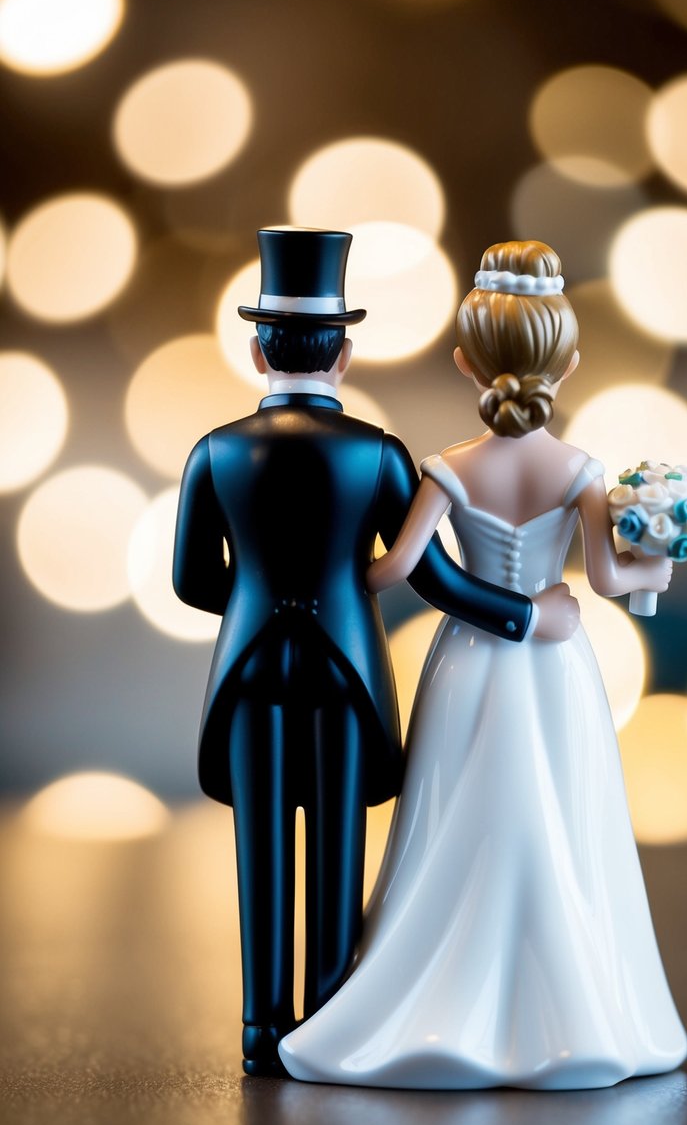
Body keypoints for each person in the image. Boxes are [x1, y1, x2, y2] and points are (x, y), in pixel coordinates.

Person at [279, 239, 687, 1090]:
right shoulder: (577, 469)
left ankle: (435, 999)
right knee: (558, 818)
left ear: (465, 361)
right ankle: (574, 1014)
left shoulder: (447, 468)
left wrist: (322, 569)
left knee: (456, 817)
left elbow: (394, 571)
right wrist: (666, 559)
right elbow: (610, 578)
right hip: (556, 662)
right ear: (568, 363)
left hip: (466, 661)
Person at [172, 229, 575, 1077]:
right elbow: (433, 580)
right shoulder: (381, 455)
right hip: (345, 672)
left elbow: (188, 582)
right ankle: (325, 1017)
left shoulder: (213, 451)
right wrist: (526, 616)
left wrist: (256, 608)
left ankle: (259, 1027)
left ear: (255, 347)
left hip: (248, 674)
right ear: (345, 352)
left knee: (259, 849)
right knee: (336, 850)